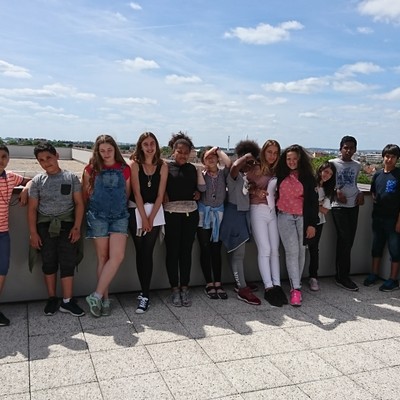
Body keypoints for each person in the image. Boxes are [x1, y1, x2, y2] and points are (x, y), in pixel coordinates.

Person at [28, 142, 85, 317]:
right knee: (49, 262)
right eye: (41, 160)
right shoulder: (38, 181)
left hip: (67, 225)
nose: (46, 162)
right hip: (44, 227)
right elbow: (32, 209)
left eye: (49, 158)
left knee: (67, 262)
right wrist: (33, 233)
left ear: (57, 156)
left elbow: (79, 204)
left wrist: (77, 227)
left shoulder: (71, 178)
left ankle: (67, 301)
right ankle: (52, 298)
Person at [83, 134, 130, 317]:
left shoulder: (125, 169)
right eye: (102, 151)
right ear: (97, 151)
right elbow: (85, 192)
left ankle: (95, 295)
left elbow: (127, 193)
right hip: (98, 216)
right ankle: (104, 298)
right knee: (103, 257)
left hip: (119, 216)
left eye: (109, 150)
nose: (106, 153)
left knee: (116, 257)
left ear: (115, 149)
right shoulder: (90, 169)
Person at [128, 132, 168, 313]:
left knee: (148, 252)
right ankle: (143, 292)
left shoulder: (162, 166)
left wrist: (151, 219)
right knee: (140, 252)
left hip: (155, 213)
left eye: (152, 143)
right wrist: (144, 218)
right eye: (146, 144)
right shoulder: (135, 165)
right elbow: (136, 193)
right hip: (136, 211)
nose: (150, 147)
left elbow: (160, 194)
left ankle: (145, 294)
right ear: (140, 146)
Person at [276, 144, 319, 307]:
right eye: (288, 158)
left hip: (303, 218)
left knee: (301, 251)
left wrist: (312, 224)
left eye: (294, 158)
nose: (291, 161)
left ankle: (297, 284)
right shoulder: (280, 174)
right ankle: (295, 288)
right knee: (292, 251)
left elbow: (313, 202)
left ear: (300, 159)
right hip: (285, 217)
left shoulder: (308, 177)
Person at [220, 140, 262, 305]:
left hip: (243, 216)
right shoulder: (233, 173)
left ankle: (240, 283)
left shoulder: (244, 177)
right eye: (248, 162)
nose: (249, 165)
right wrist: (246, 157)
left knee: (237, 253)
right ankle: (242, 288)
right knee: (238, 254)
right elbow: (235, 165)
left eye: (252, 163)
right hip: (234, 216)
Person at [247, 139, 287, 307]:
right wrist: (254, 190)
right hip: (258, 210)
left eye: (275, 153)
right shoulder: (255, 168)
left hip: (273, 212)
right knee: (265, 249)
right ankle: (268, 286)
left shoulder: (277, 169)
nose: (272, 155)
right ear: (263, 152)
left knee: (275, 250)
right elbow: (243, 184)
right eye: (269, 152)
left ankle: (277, 285)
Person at [0, 145, 30, 326]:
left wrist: (26, 189)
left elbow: (30, 180)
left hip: (3, 233)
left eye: (4, 156)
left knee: (2, 271)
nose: (0, 160)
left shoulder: (10, 177)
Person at [364, 144, 400, 291]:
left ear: (397, 159)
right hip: (378, 217)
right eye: (387, 156)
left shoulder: (399, 175)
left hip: (393, 219)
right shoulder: (378, 174)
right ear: (383, 156)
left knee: (395, 250)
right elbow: (373, 193)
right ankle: (374, 273)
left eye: (392, 156)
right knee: (376, 247)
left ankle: (392, 279)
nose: (389, 159)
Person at [197, 146, 232, 300]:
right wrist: (200, 171)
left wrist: (217, 151)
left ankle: (218, 281)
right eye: (207, 157)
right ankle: (208, 283)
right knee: (204, 248)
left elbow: (229, 163)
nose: (210, 159)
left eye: (213, 156)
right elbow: (201, 188)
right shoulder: (202, 174)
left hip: (219, 214)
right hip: (203, 215)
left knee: (216, 249)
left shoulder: (223, 174)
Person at [330, 135, 364, 291]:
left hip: (353, 205)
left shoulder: (357, 165)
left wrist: (361, 192)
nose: (348, 150)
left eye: (351, 148)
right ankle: (342, 276)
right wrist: (336, 191)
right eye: (346, 147)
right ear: (340, 148)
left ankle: (341, 275)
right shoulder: (332, 164)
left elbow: (354, 183)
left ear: (355, 149)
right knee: (344, 239)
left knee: (349, 241)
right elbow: (323, 182)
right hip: (338, 206)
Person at [307, 161, 336, 291]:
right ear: (320, 171)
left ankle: (313, 277)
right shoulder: (310, 183)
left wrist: (313, 204)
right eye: (325, 171)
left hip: (318, 222)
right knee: (299, 249)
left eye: (330, 173)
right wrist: (317, 204)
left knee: (314, 249)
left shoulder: (329, 189)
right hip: (305, 220)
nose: (327, 175)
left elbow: (325, 210)